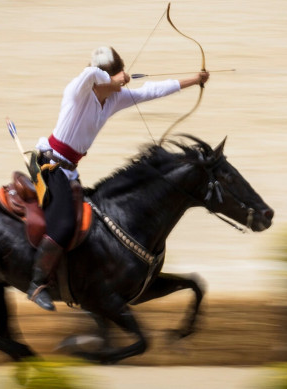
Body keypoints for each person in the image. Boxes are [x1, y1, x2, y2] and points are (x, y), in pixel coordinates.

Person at [27, 46, 210, 311]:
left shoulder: (114, 99)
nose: (125, 77)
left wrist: (194, 80)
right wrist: (113, 76)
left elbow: (151, 91)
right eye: (118, 72)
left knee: (90, 226)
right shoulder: (78, 92)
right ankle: (37, 283)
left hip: (70, 170)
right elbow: (89, 73)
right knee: (64, 224)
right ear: (105, 75)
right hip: (50, 164)